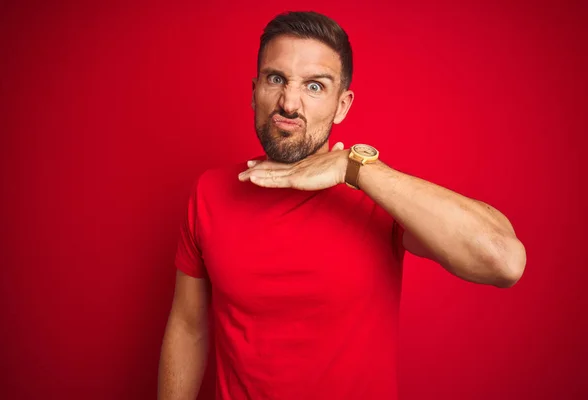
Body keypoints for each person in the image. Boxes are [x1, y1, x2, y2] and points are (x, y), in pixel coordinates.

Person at [157, 11, 526, 400]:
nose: (289, 103)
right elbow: (188, 326)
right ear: (254, 91)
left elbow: (504, 261)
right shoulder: (211, 192)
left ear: (342, 104)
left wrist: (358, 169)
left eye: (315, 86)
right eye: (276, 79)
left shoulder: (378, 197)